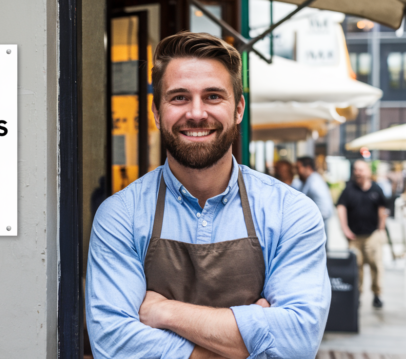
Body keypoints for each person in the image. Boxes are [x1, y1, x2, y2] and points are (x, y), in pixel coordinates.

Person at [85, 32, 330, 359]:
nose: (197, 113)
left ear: (239, 109)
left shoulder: (291, 211)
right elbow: (114, 345)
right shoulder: (120, 215)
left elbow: (297, 341)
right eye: (179, 98)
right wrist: (247, 343)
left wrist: (164, 313)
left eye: (213, 96)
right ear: (157, 112)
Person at [337, 160, 387, 309]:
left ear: (368, 171)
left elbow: (382, 210)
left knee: (376, 266)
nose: (358, 172)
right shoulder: (348, 189)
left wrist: (381, 229)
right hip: (354, 237)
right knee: (356, 268)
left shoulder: (376, 189)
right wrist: (345, 228)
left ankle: (377, 294)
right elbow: (341, 208)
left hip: (372, 235)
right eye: (356, 170)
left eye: (361, 170)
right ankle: (357, 295)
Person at [295, 156, 333, 247]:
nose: (296, 171)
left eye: (298, 168)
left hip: (316, 232)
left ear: (307, 168)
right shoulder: (310, 180)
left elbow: (326, 210)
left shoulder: (314, 183)